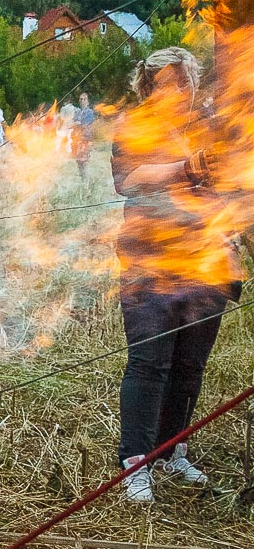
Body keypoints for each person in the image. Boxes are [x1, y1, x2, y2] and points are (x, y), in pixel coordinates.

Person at [111, 48, 234, 503]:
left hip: (208, 259)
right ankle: (136, 461)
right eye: (165, 82)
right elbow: (128, 179)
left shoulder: (210, 124)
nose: (176, 90)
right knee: (150, 363)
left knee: (189, 365)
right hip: (150, 260)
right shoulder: (133, 124)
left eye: (182, 82)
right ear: (148, 86)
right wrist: (186, 167)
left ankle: (172, 450)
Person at [73, 92, 97, 179]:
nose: (82, 101)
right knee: (78, 160)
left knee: (84, 160)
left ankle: (86, 179)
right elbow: (74, 123)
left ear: (88, 101)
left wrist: (76, 124)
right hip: (78, 139)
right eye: (81, 99)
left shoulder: (89, 112)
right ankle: (82, 177)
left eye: (84, 99)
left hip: (86, 139)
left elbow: (84, 124)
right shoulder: (77, 112)